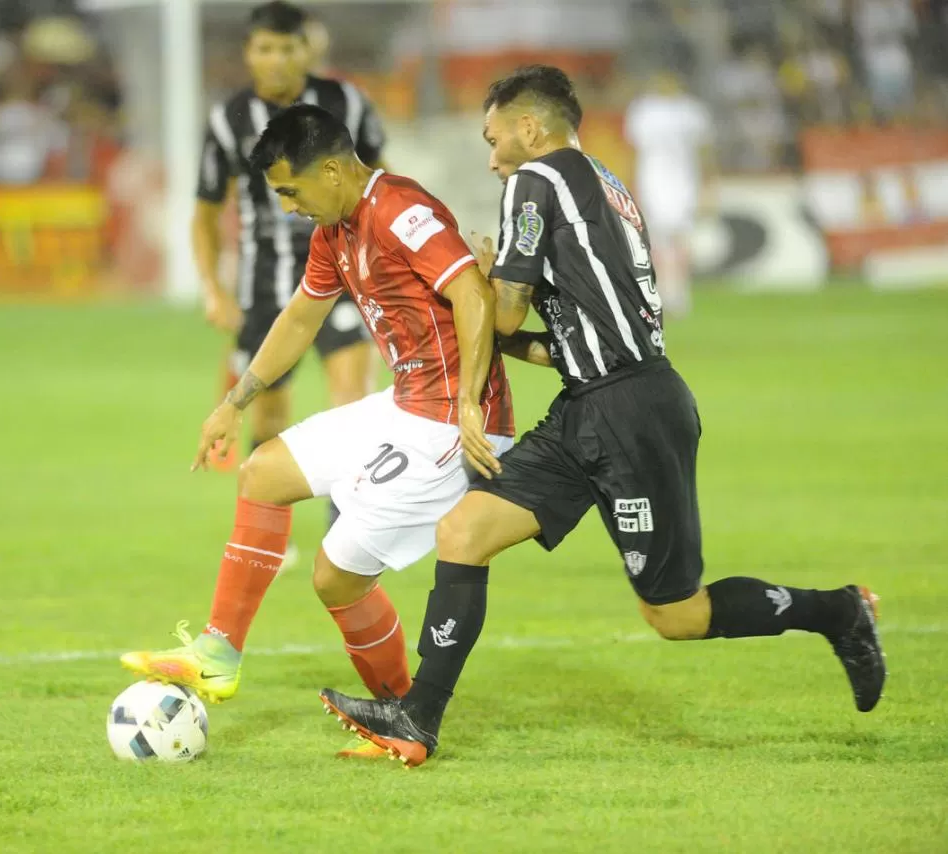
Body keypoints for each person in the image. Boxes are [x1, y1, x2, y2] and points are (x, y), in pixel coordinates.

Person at [318, 66, 887, 767]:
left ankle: (839, 612)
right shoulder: (606, 186)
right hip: (595, 401)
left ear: (531, 128)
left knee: (674, 614)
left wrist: (475, 280)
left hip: (629, 410)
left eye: (495, 140)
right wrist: (494, 316)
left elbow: (505, 310)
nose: (493, 159)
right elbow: (563, 342)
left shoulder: (539, 179)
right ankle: (416, 724)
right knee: (463, 530)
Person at [121, 106, 515, 756]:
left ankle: (401, 718)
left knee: (335, 577)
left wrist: (471, 404)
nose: (288, 206)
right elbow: (301, 319)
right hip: (407, 403)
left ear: (332, 170)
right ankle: (220, 655)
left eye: (291, 191)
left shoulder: (399, 209)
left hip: (453, 420)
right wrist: (236, 402)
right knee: (263, 473)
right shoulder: (335, 231)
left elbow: (472, 293)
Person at [194, 2, 382, 516]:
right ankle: (266, 540)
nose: (276, 59)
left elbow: (377, 182)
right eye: (265, 48)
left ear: (308, 48)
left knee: (352, 397)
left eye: (287, 47)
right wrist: (213, 289)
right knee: (268, 417)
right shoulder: (227, 119)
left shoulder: (348, 102)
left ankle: (343, 532)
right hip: (265, 281)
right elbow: (205, 214)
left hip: (345, 273)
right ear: (249, 53)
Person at [625, 72, 714, 317]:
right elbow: (634, 151)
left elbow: (705, 151)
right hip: (653, 180)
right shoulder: (643, 110)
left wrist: (708, 185)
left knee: (681, 237)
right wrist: (632, 185)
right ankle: (662, 291)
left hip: (684, 181)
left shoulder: (692, 111)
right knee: (657, 239)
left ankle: (680, 293)